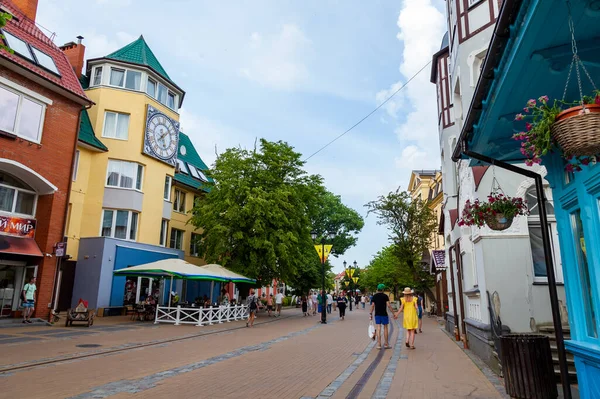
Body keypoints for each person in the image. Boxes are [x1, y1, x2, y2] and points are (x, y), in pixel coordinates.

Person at [370, 284, 395, 349]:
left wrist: (370, 313)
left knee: (378, 328)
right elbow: (389, 305)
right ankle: (386, 344)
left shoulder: (374, 296)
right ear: (383, 289)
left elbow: (372, 305)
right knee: (385, 328)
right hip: (384, 314)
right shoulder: (385, 296)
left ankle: (379, 345)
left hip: (377, 314)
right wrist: (393, 313)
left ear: (377, 289)